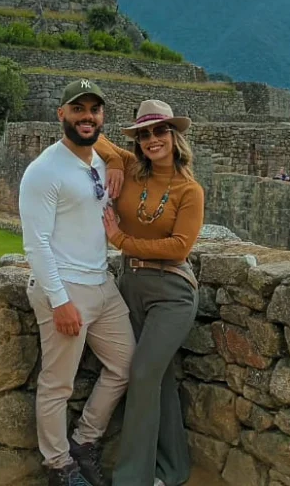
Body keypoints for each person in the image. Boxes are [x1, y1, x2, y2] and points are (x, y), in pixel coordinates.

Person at [19, 79, 135, 486]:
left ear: (102, 117)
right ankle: (59, 465)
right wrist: (59, 300)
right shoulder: (44, 171)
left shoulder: (100, 163)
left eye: (94, 110)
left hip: (102, 283)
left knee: (125, 364)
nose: (87, 117)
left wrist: (117, 161)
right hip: (66, 286)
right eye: (78, 109)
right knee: (57, 383)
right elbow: (36, 244)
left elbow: (116, 153)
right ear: (61, 115)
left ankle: (85, 441)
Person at [95, 99, 204, 486]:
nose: (152, 139)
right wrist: (111, 162)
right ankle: (173, 470)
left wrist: (121, 239)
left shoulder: (189, 190)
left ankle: (131, 479)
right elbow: (94, 137)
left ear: (174, 136)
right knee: (161, 379)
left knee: (141, 374)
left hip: (171, 292)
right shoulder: (129, 165)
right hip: (131, 287)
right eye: (144, 134)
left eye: (160, 131)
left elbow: (179, 247)